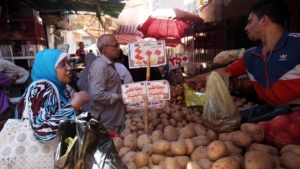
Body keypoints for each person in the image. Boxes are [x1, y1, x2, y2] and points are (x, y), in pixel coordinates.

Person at [15, 49, 89, 142]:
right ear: (48, 67)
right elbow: (42, 132)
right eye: (62, 65)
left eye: (68, 63)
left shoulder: (60, 88)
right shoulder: (41, 87)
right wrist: (74, 105)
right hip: (41, 153)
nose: (69, 68)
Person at [88, 34, 125, 133]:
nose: (118, 48)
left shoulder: (107, 64)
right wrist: (118, 96)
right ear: (105, 49)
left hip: (114, 118)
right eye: (115, 45)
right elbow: (97, 94)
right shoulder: (100, 66)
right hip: (106, 122)